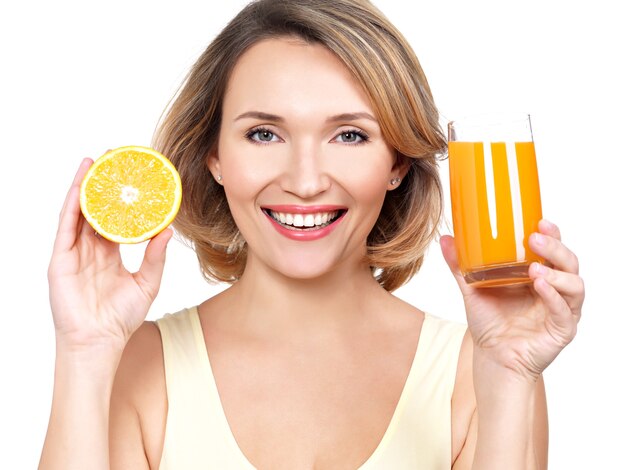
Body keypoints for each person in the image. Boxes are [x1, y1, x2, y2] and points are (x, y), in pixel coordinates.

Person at [39, 0, 584, 468]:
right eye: (263, 133)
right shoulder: (136, 366)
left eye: (348, 135)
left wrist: (510, 375)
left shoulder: (484, 367)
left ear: (396, 161)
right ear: (214, 157)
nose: (305, 181)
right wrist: (85, 352)